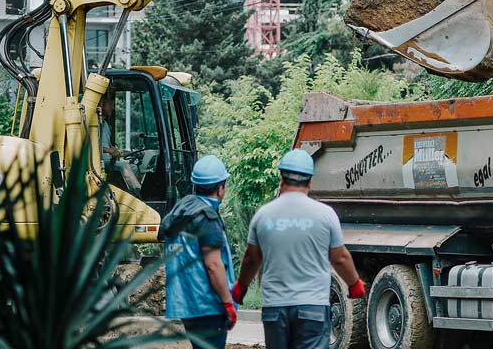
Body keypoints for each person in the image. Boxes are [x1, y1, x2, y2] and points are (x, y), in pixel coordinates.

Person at [231, 149, 366, 349]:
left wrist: (240, 287)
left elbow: (252, 258)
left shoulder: (263, 215)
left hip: (275, 308)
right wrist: (354, 283)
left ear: (281, 178)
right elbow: (339, 258)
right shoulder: (325, 215)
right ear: (310, 181)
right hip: (312, 307)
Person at [159, 155, 238, 349]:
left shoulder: (180, 210)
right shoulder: (207, 217)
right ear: (220, 189)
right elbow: (213, 265)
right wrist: (228, 303)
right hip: (209, 306)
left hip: (187, 305)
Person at [98, 93, 141, 194]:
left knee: (134, 166)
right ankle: (137, 195)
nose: (112, 108)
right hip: (100, 161)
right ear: (102, 104)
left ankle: (138, 191)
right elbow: (91, 147)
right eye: (111, 105)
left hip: (108, 159)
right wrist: (108, 150)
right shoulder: (94, 125)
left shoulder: (105, 125)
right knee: (124, 166)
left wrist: (122, 151)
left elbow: (108, 146)